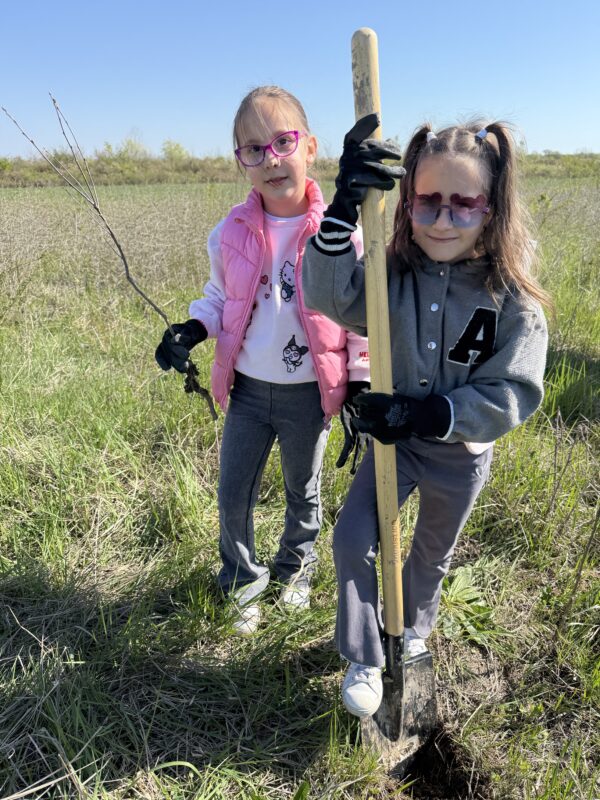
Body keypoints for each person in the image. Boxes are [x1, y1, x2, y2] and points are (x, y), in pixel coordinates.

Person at [302, 114, 550, 717]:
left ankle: (411, 629)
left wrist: (431, 414)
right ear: (407, 202)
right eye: (428, 201)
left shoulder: (512, 300)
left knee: (431, 553)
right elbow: (327, 295)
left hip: (459, 459)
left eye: (463, 204)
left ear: (492, 209)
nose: (443, 220)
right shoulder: (392, 276)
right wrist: (341, 209)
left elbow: (514, 392)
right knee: (352, 537)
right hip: (395, 448)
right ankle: (365, 653)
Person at [155, 86, 374, 635]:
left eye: (283, 142)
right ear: (241, 162)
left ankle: (295, 570)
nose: (271, 159)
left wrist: (360, 382)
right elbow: (219, 296)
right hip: (249, 391)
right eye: (254, 149)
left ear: (311, 148)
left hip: (309, 393)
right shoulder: (229, 232)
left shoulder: (341, 233)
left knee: (304, 491)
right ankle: (242, 582)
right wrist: (192, 328)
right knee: (234, 494)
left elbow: (358, 316)